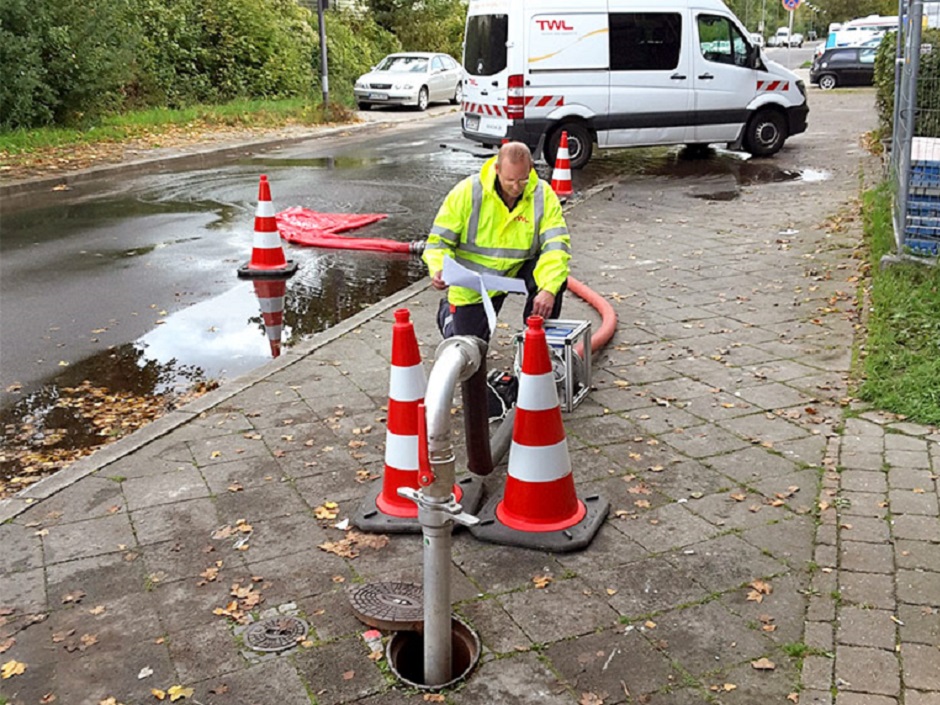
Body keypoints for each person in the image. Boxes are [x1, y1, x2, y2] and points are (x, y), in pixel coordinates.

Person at [423, 141, 571, 341]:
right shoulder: (467, 192)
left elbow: (556, 248)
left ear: (531, 169)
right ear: (497, 169)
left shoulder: (543, 195)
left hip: (518, 270)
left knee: (555, 280)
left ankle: (535, 340)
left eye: (523, 180)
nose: (516, 187)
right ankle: (447, 314)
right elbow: (439, 242)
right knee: (470, 345)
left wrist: (548, 290)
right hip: (475, 282)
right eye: (510, 180)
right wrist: (439, 268)